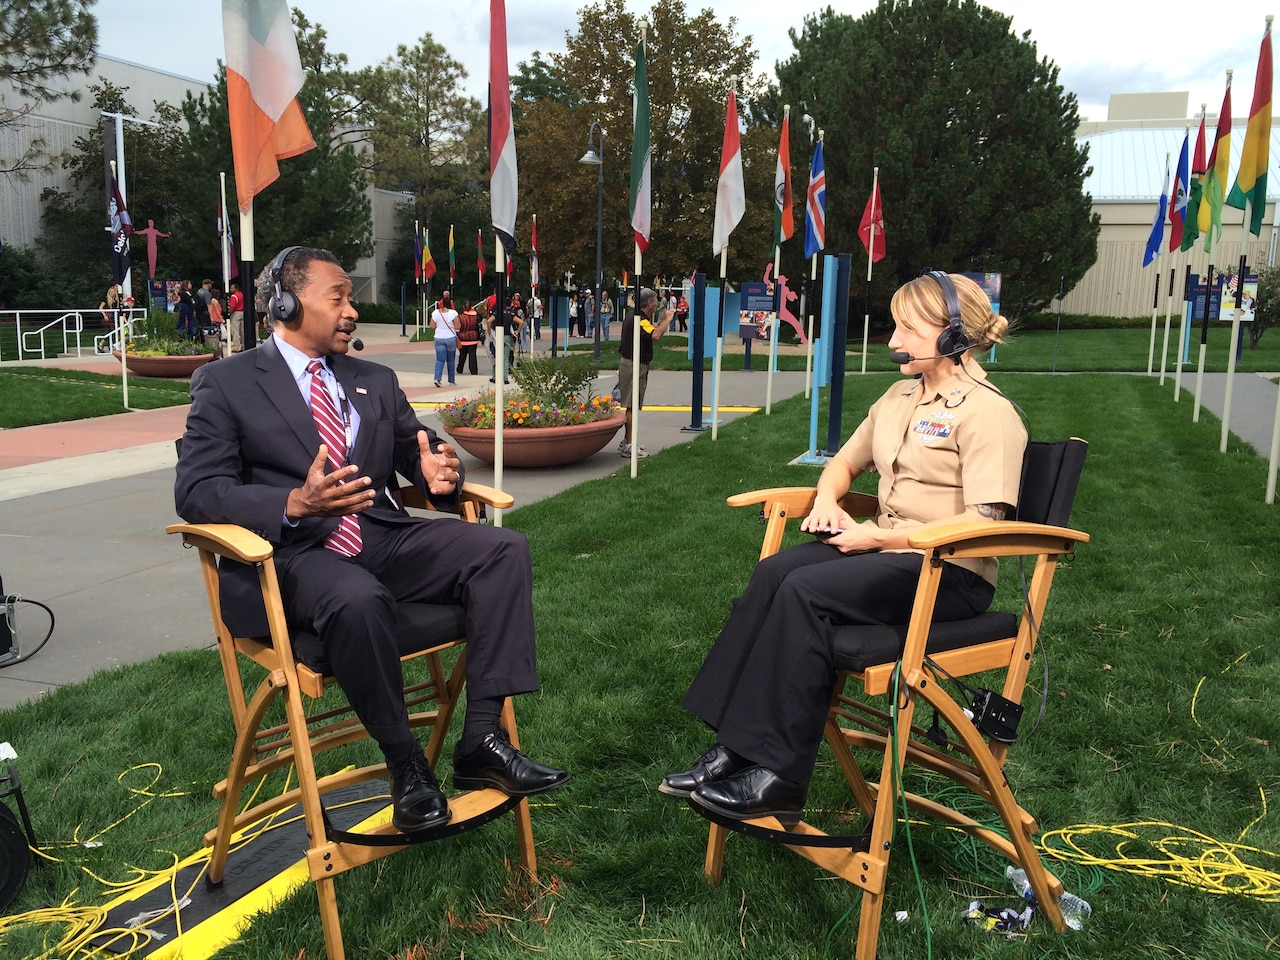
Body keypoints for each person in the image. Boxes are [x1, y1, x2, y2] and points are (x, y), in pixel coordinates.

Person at [174, 246, 569, 835]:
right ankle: (407, 764)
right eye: (338, 298)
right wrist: (292, 503)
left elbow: (416, 445)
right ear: (286, 302)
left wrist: (438, 471)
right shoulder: (226, 383)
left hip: (381, 538)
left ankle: (481, 738)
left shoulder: (372, 379)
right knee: (358, 599)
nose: (351, 311)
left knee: (501, 549)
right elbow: (198, 491)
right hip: (292, 557)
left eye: (351, 298)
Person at [659, 272, 1026, 825]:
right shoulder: (900, 395)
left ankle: (779, 775)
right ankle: (736, 747)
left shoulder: (988, 413)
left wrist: (881, 536)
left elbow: (982, 525)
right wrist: (828, 500)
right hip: (887, 552)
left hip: (950, 572)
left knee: (804, 592)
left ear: (952, 334)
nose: (893, 340)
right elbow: (844, 461)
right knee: (775, 574)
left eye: (907, 327)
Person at [617, 287, 674, 458]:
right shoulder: (638, 319)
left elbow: (650, 331)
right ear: (650, 303)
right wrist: (668, 319)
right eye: (656, 301)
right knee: (632, 405)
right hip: (634, 365)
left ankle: (628, 440)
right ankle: (628, 445)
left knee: (632, 405)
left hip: (634, 364)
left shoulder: (638, 317)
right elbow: (656, 335)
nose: (657, 304)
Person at [430, 295, 459, 387]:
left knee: (440, 360)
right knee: (450, 360)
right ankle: (451, 381)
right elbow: (458, 326)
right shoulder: (453, 313)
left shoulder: (435, 313)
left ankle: (437, 378)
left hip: (438, 338)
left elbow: (432, 326)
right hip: (450, 338)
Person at [456, 304, 483, 376]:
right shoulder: (477, 315)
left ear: (464, 307)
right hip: (474, 337)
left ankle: (460, 368)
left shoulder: (460, 317)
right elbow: (480, 322)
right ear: (471, 307)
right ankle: (473, 370)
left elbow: (458, 327)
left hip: (463, 338)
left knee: (462, 354)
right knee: (472, 355)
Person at [228, 282, 245, 352]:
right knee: (242, 330)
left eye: (232, 288)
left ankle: (236, 347)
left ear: (236, 288)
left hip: (236, 313)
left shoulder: (234, 296)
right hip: (243, 312)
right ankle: (244, 345)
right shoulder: (242, 295)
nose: (230, 289)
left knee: (235, 331)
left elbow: (232, 306)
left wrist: (229, 314)